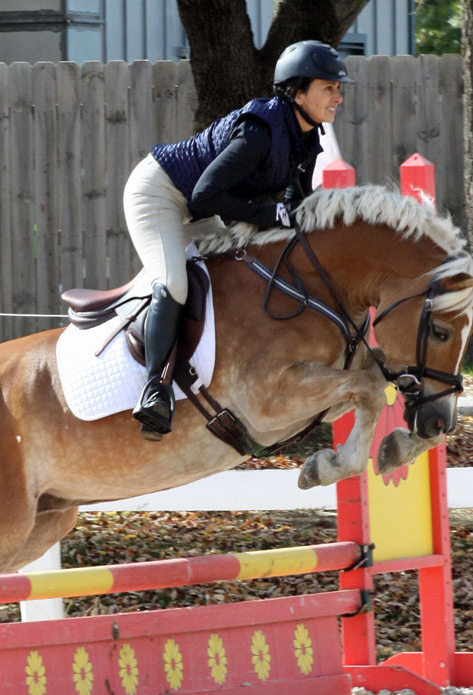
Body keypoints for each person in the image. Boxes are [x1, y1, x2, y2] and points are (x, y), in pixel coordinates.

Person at [124, 40, 353, 439]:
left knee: (237, 274)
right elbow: (205, 194)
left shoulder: (308, 137)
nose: (338, 97)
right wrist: (271, 215)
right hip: (159, 193)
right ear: (298, 92)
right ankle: (154, 391)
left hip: (199, 210)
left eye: (338, 88)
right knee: (175, 283)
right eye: (329, 88)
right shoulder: (259, 132)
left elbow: (295, 206)